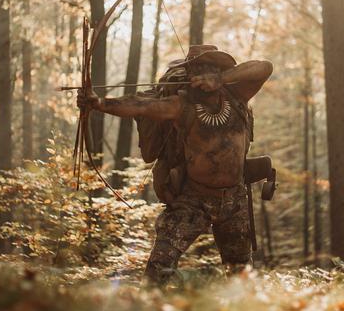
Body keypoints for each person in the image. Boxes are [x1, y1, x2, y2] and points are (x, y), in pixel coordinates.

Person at [78, 44, 273, 283]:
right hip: (194, 199)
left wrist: (219, 79)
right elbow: (140, 105)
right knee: (160, 263)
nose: (198, 77)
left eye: (206, 71)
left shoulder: (239, 97)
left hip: (235, 200)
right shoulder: (181, 105)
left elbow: (265, 67)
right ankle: (148, 309)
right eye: (195, 72)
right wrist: (98, 103)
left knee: (240, 271)